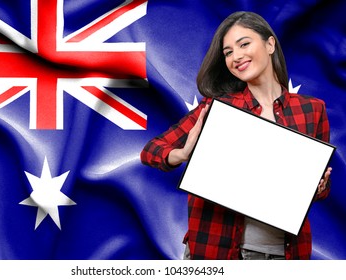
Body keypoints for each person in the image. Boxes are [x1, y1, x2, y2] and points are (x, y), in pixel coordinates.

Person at [140, 11, 332, 260]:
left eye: (244, 44)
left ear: (270, 44)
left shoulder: (312, 109)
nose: (236, 56)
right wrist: (183, 153)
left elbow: (316, 190)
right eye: (228, 52)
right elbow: (150, 151)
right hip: (215, 252)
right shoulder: (217, 109)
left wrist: (318, 187)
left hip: (284, 256)